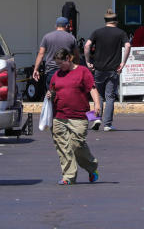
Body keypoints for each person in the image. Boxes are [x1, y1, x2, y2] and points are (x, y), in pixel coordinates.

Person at [48, 48, 101, 185]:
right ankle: (69, 176)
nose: (59, 67)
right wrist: (49, 95)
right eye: (57, 64)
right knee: (63, 147)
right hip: (59, 116)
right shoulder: (57, 75)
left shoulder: (83, 71)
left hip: (78, 117)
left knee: (77, 144)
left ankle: (92, 167)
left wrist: (97, 104)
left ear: (68, 59)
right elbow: (52, 90)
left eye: (61, 63)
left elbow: (92, 88)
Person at [84, 9, 131, 131]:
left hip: (99, 69)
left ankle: (97, 118)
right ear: (116, 21)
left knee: (98, 95)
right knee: (109, 96)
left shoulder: (97, 32)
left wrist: (88, 61)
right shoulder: (121, 33)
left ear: (105, 21)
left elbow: (87, 45)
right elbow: (128, 45)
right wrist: (123, 62)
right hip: (113, 69)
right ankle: (107, 124)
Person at [33, 16, 78, 92]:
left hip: (51, 71)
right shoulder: (71, 38)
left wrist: (36, 69)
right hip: (67, 71)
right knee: (66, 95)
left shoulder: (47, 37)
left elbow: (41, 54)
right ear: (67, 26)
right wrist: (76, 69)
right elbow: (76, 55)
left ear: (55, 26)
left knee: (51, 96)